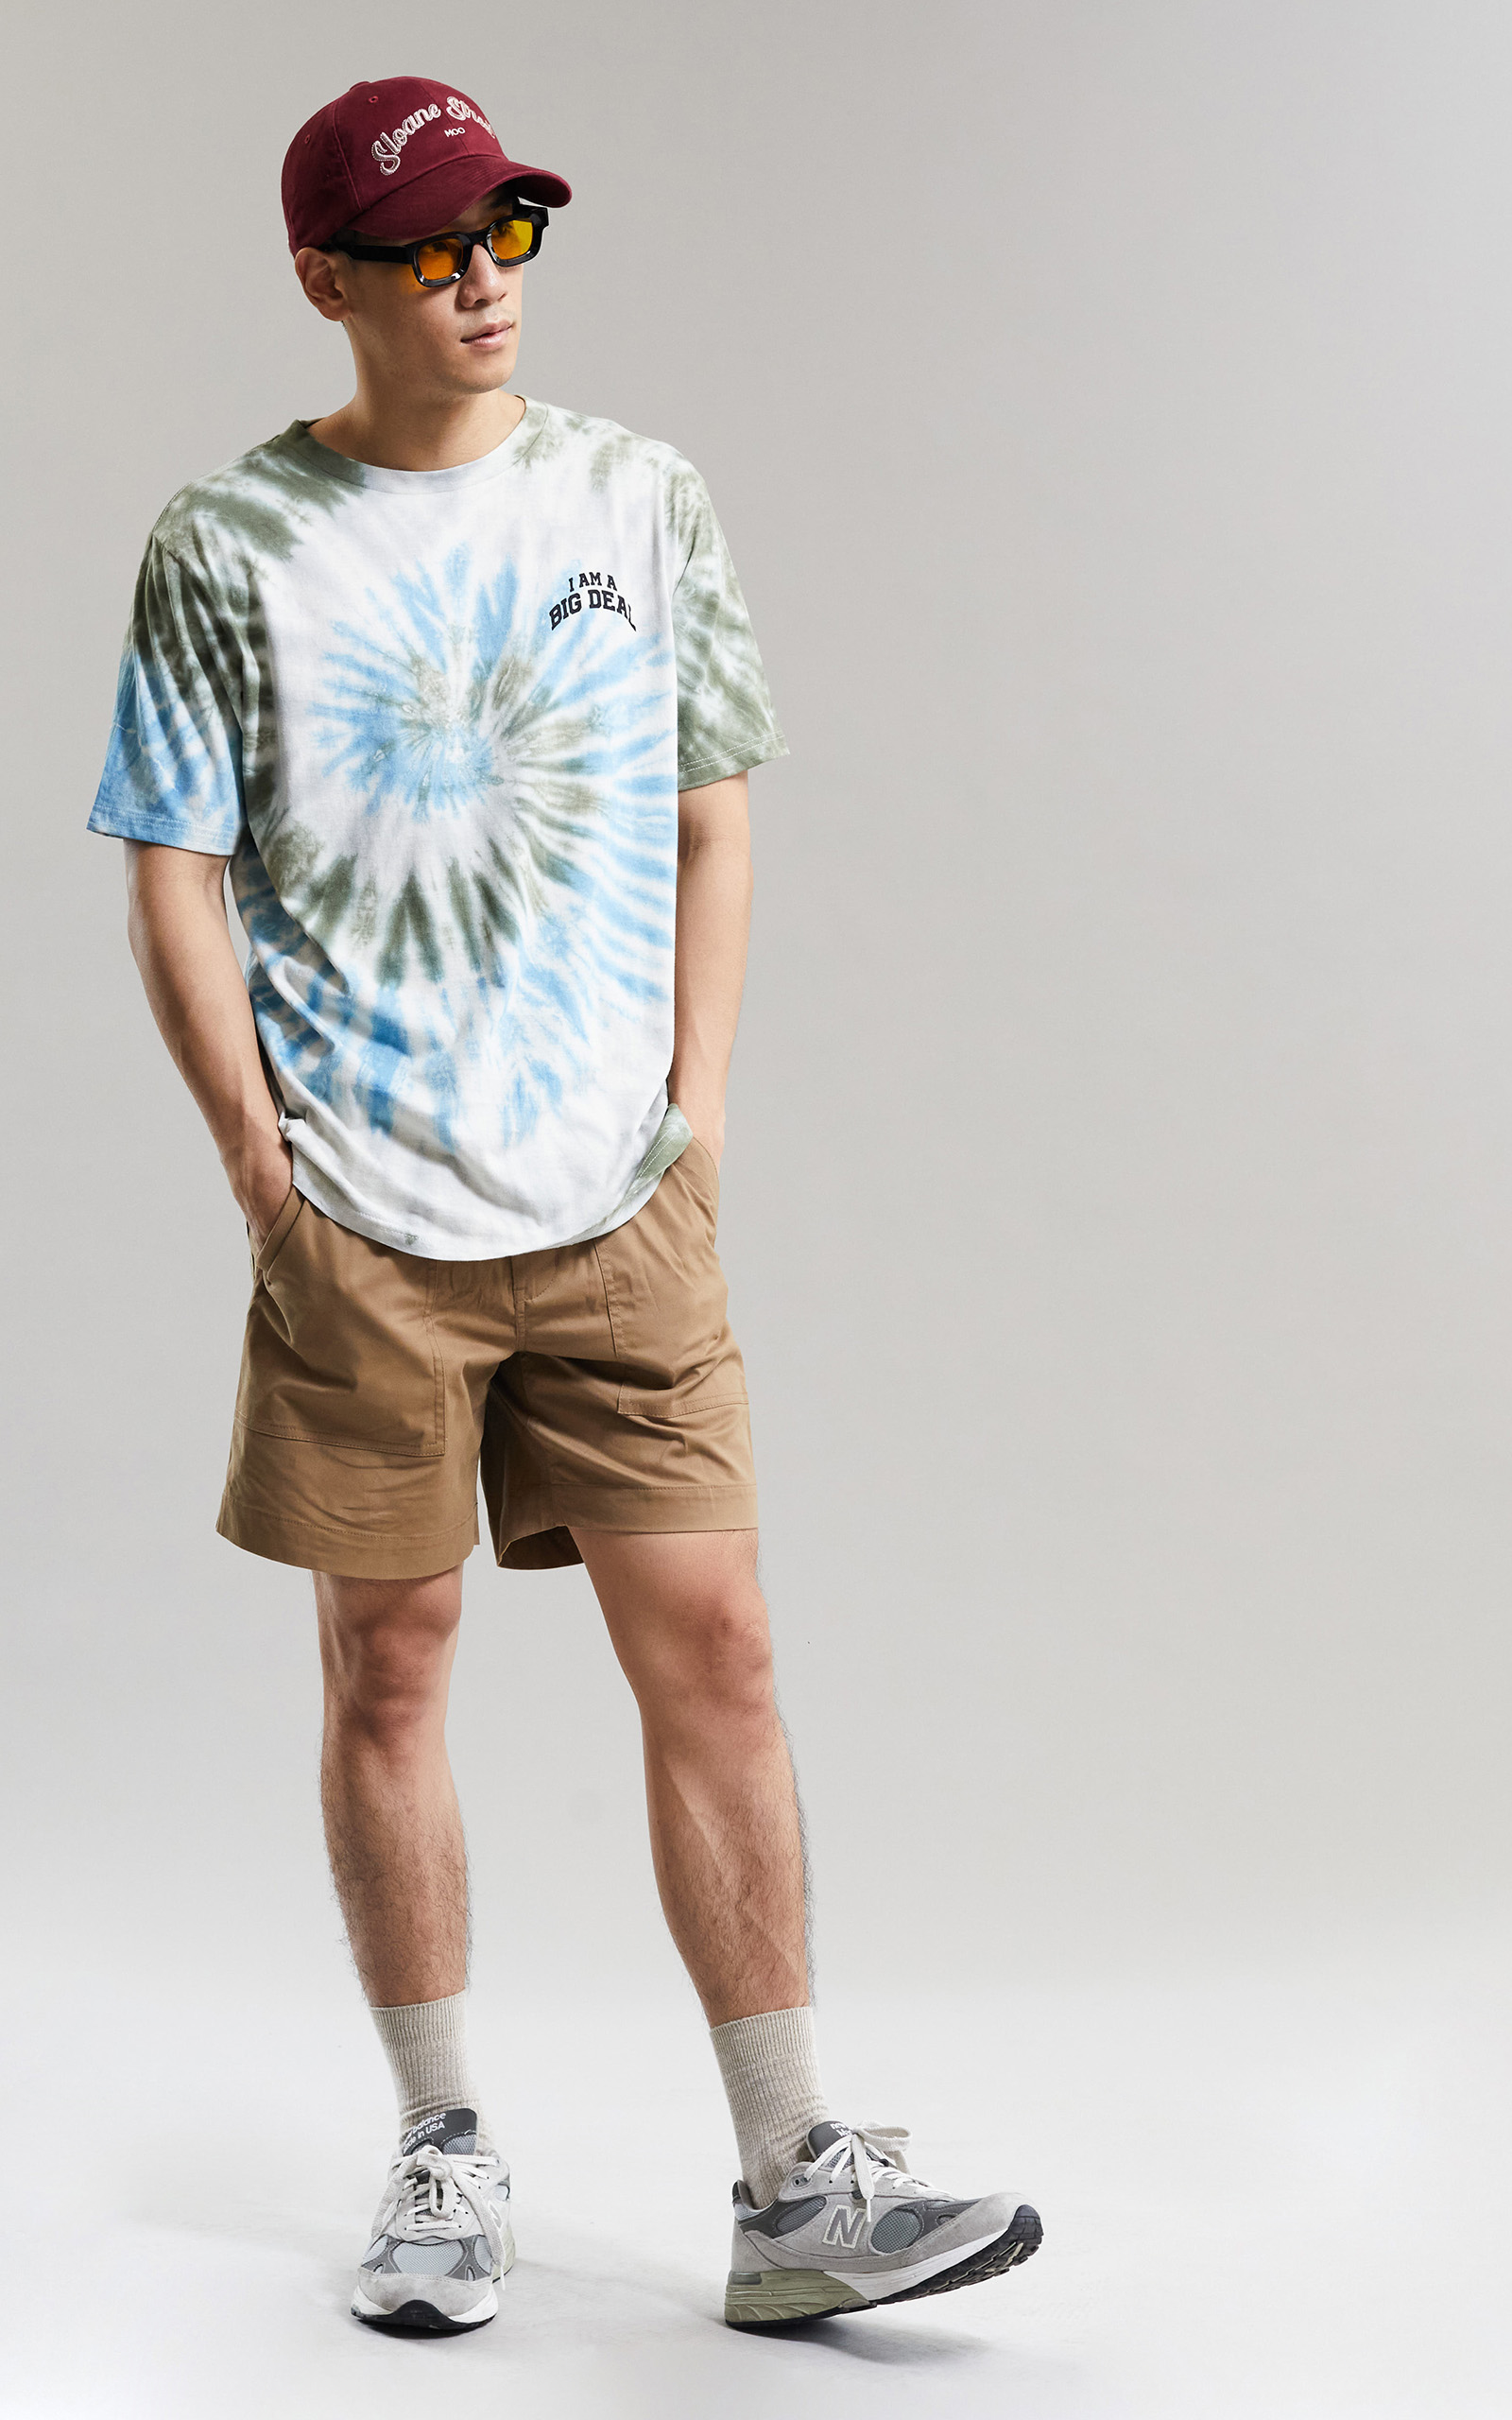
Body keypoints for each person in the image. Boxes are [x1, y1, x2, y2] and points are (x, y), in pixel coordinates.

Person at [87, 74, 1041, 2337]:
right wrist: (258, 1166)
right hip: (363, 1216)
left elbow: (716, 805)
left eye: (505, 229)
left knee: (719, 1645)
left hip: (618, 1200)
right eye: (429, 247)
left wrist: (695, 1107)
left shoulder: (639, 493)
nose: (482, 276)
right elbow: (170, 856)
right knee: (390, 1662)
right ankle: (438, 2145)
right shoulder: (228, 542)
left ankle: (792, 2179)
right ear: (325, 279)